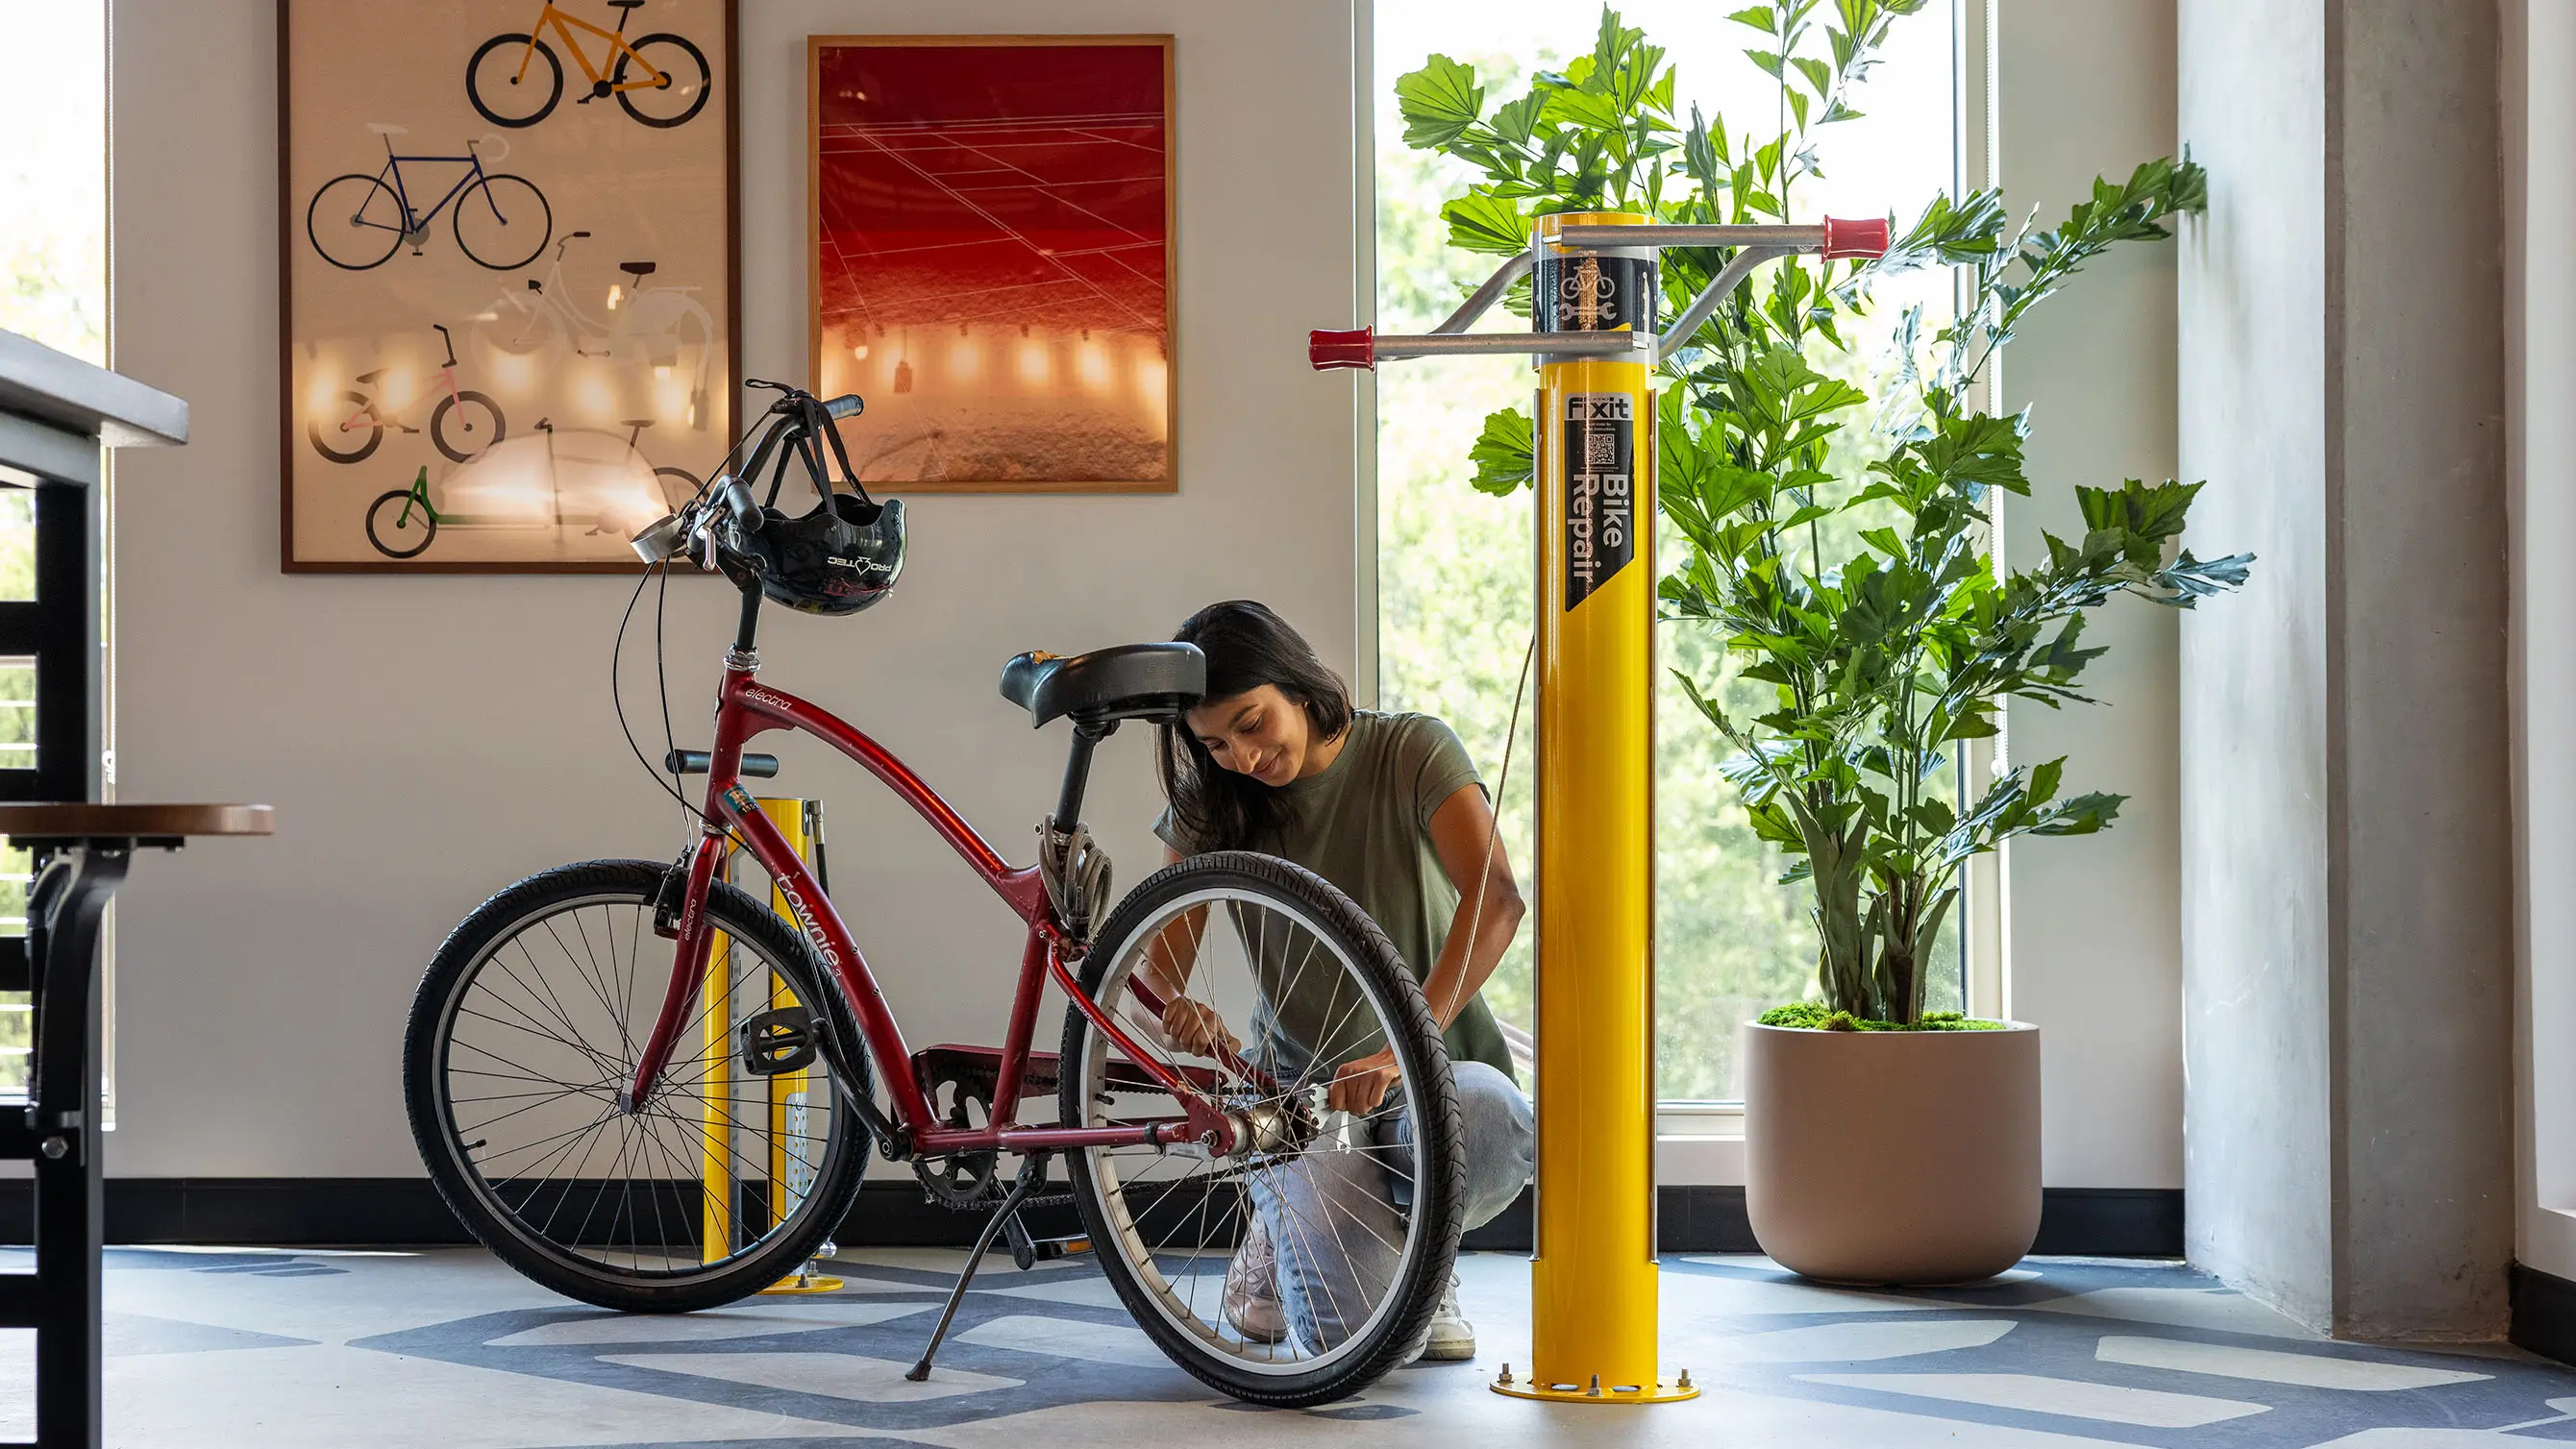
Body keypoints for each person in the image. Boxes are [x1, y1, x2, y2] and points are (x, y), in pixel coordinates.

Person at [1149, 600, 1534, 1363]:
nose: (1243, 758)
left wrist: (1401, 1052)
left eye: (1253, 724)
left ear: (1296, 683)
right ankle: (1279, 1229)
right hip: (1296, 1098)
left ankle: (1430, 1260)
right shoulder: (1213, 802)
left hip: (1432, 1070)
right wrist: (1182, 1013)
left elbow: (1497, 901)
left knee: (1491, 1128)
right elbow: (1157, 973)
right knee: (1353, 1342)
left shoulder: (1412, 749)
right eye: (1216, 743)